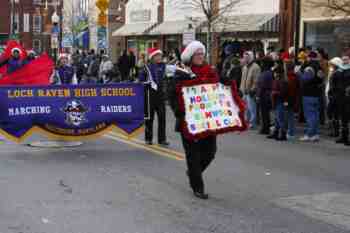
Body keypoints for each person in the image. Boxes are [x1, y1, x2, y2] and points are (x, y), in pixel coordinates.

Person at [168, 41, 218, 199]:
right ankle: (198, 186)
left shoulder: (209, 71)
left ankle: (193, 173)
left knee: (210, 152)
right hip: (188, 121)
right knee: (193, 155)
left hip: (207, 119)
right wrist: (179, 111)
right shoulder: (181, 72)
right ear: (190, 56)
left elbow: (217, 88)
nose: (201, 57)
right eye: (197, 54)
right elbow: (171, 94)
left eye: (202, 54)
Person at [138, 48, 169, 146]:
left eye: (160, 55)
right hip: (149, 95)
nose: (160, 57)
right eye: (158, 55)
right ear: (153, 57)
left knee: (162, 118)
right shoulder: (146, 67)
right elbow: (140, 80)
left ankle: (162, 139)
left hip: (160, 95)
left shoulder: (164, 66)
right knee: (149, 119)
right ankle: (148, 138)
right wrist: (147, 83)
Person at [298, 51, 324, 142]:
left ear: (309, 57)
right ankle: (315, 134)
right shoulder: (320, 67)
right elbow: (321, 80)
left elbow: (305, 79)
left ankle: (309, 134)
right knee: (315, 115)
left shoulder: (309, 67)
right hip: (316, 93)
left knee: (309, 115)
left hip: (308, 93)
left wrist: (299, 74)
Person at [240, 51, 261, 129]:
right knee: (245, 108)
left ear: (251, 57)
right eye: (244, 57)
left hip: (250, 91)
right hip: (244, 91)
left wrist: (253, 89)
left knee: (252, 108)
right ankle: (246, 121)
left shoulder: (256, 67)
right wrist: (241, 89)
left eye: (246, 57)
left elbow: (256, 80)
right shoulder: (245, 67)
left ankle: (252, 123)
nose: (245, 59)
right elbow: (242, 79)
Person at [268, 61, 288, 141]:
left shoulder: (282, 81)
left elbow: (283, 92)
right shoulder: (277, 80)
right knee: (277, 118)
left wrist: (274, 93)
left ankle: (283, 134)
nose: (274, 74)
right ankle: (276, 132)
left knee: (280, 118)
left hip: (280, 101)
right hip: (277, 101)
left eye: (276, 73)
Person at [335, 51, 350, 145]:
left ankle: (348, 138)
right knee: (342, 117)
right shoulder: (339, 70)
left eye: (346, 59)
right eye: (343, 59)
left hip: (348, 96)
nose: (344, 61)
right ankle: (343, 136)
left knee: (348, 117)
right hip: (340, 96)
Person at [256, 56, 274, 135]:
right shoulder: (269, 72)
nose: (261, 64)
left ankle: (265, 128)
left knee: (264, 113)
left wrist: (258, 95)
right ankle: (265, 127)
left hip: (264, 95)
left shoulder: (266, 73)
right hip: (266, 94)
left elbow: (262, 86)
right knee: (264, 113)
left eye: (262, 63)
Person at [327, 57, 343, 138]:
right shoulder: (335, 72)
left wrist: (331, 93)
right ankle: (335, 131)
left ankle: (336, 131)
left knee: (334, 113)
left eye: (333, 64)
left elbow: (335, 86)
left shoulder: (338, 73)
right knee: (333, 113)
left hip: (335, 96)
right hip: (334, 96)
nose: (331, 65)